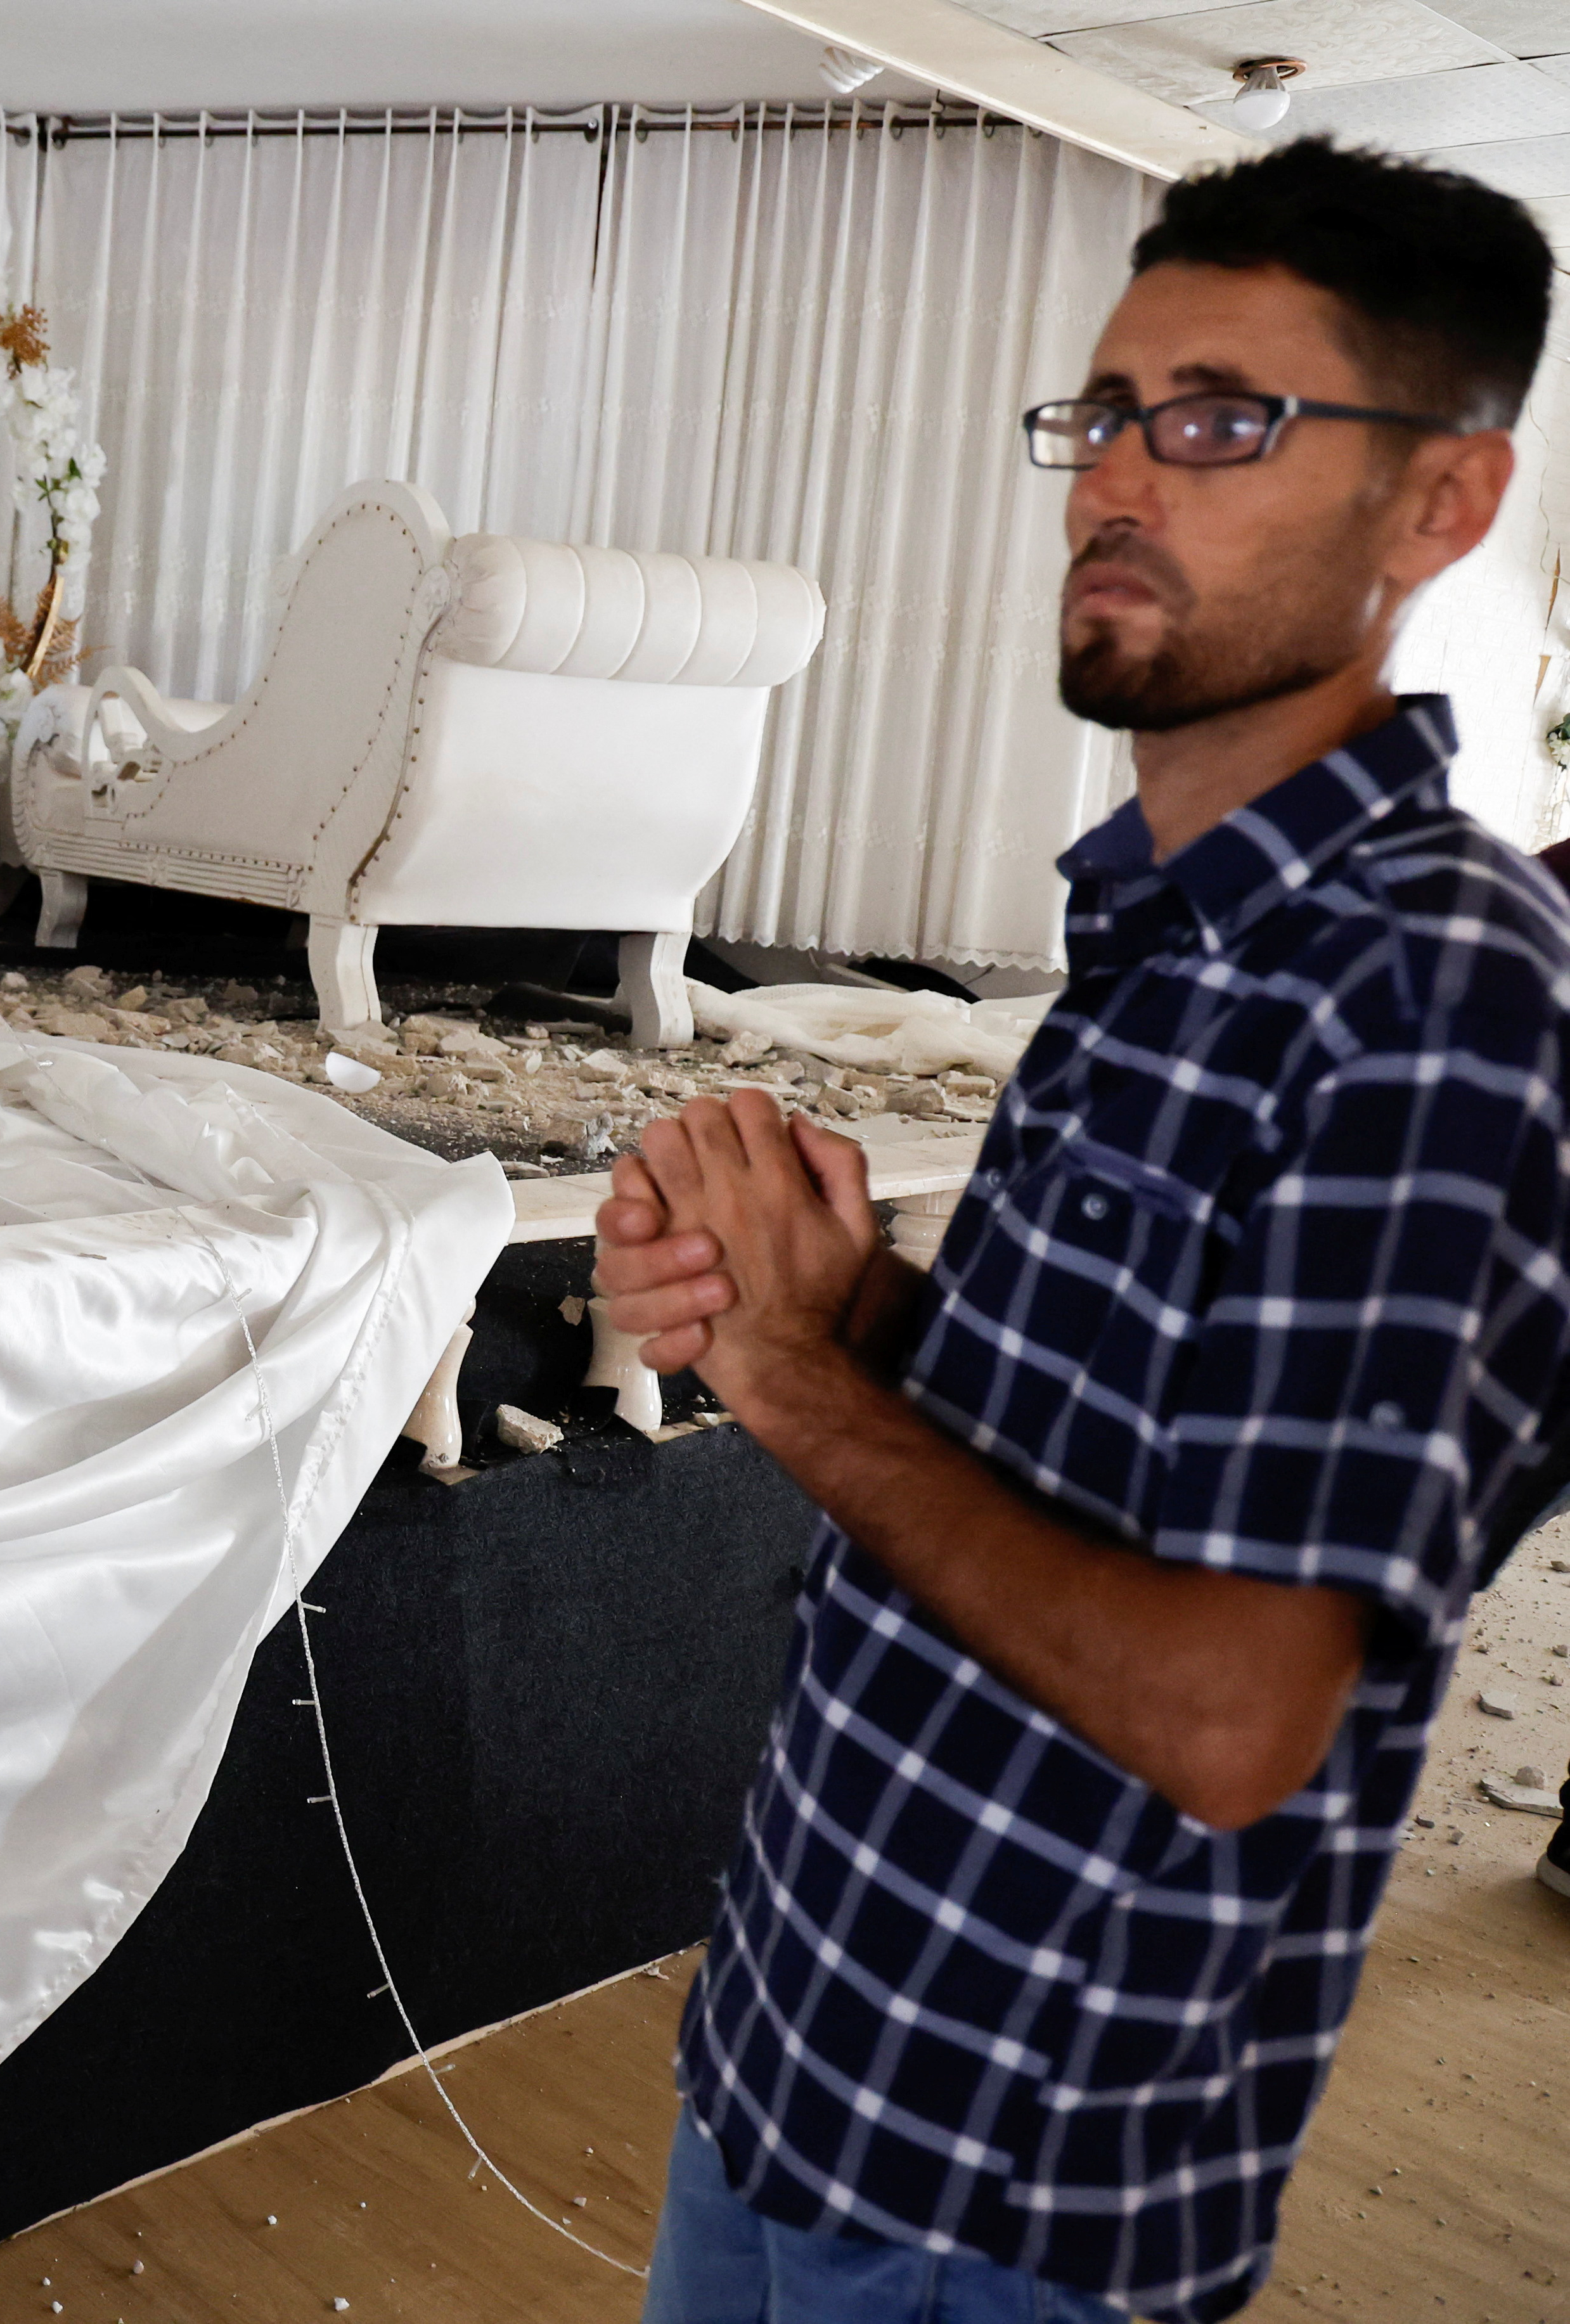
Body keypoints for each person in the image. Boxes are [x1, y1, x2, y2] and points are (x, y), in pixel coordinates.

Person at [598, 141, 1569, 2323]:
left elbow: (1234, 1714)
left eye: (1222, 419)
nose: (1118, 477)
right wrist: (847, 1303)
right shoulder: (1167, 920)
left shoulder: (1431, 996)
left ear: (1440, 508)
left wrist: (789, 1378)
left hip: (1005, 2172)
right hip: (807, 2027)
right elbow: (1112, 1438)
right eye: (1104, 410)